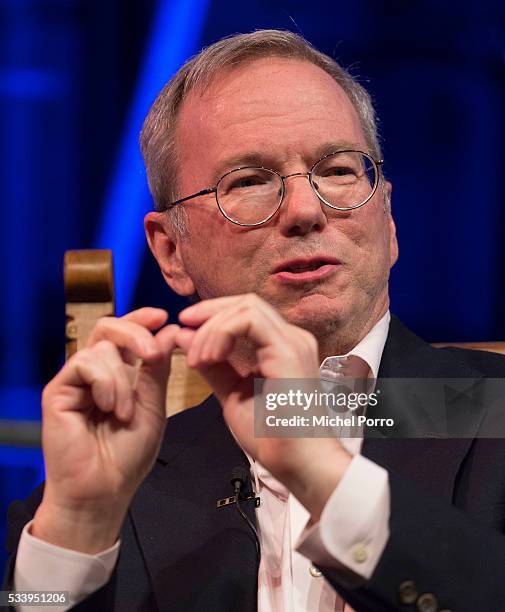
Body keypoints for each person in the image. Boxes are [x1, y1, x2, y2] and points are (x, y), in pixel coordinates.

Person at [5, 29, 505, 612]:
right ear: (171, 252)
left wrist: (324, 474)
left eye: (339, 170)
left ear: (388, 220)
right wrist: (79, 527)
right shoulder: (117, 478)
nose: (304, 210)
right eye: (247, 181)